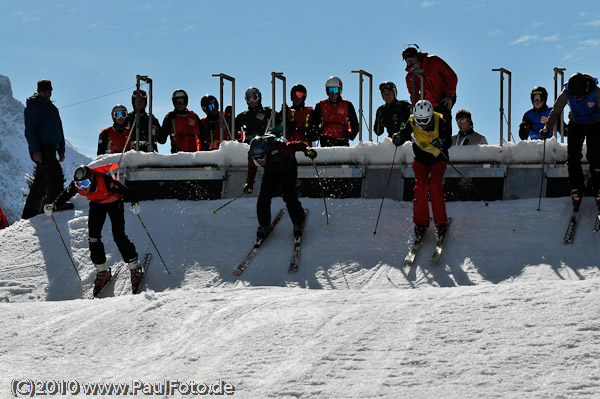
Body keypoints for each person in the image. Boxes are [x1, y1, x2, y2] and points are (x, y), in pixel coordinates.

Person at [44, 164, 142, 295]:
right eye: (79, 185)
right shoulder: (77, 185)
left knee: (119, 236)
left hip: (114, 203)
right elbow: (65, 195)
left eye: (85, 183)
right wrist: (54, 206)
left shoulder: (105, 180)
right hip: (97, 204)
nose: (83, 187)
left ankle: (134, 267)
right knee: (93, 237)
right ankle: (102, 270)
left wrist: (134, 203)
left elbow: (127, 191)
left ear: (91, 179)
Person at [392, 100, 452, 240]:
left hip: (438, 158)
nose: (422, 124)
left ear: (430, 116)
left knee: (435, 185)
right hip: (421, 159)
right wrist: (398, 138)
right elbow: (404, 133)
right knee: (420, 187)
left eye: (425, 120)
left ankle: (441, 223)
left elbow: (448, 140)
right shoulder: (412, 120)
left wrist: (441, 142)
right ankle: (421, 223)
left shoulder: (440, 121)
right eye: (419, 120)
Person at [243, 132, 317, 241]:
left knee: (288, 195)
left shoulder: (280, 147)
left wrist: (308, 150)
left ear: (267, 151)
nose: (259, 160)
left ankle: (298, 220)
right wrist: (249, 184)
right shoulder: (252, 156)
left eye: (262, 156)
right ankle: (264, 224)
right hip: (271, 170)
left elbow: (298, 145)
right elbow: (252, 170)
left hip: (288, 167)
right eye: (256, 158)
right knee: (264, 196)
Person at [542, 72, 600, 206]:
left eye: (580, 97)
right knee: (573, 157)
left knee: (595, 156)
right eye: (575, 98)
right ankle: (576, 188)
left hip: (596, 123)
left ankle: (598, 188)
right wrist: (547, 128)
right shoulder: (566, 92)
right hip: (576, 123)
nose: (577, 99)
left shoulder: (596, 92)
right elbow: (556, 111)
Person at [21, 79, 66, 220]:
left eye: (50, 91)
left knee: (41, 183)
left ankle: (29, 215)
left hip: (51, 148)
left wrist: (61, 149)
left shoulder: (53, 109)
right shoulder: (33, 107)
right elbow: (30, 130)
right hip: (41, 147)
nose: (48, 94)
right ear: (39, 91)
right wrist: (35, 150)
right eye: (45, 91)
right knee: (56, 174)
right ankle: (55, 205)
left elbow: (59, 130)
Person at [402, 44, 458, 134]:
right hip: (429, 104)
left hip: (445, 97)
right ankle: (427, 142)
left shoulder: (434, 62)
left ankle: (445, 142)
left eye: (412, 60)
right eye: (407, 61)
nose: (410, 63)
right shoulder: (410, 77)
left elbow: (451, 77)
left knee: (444, 119)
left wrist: (450, 95)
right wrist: (415, 106)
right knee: (426, 122)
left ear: (419, 57)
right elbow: (414, 94)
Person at [309, 76, 359, 147]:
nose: (332, 93)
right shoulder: (321, 106)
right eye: (330, 90)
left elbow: (355, 124)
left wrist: (351, 134)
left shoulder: (347, 105)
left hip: (342, 142)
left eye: (335, 90)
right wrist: (317, 133)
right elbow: (314, 123)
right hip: (326, 142)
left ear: (340, 90)